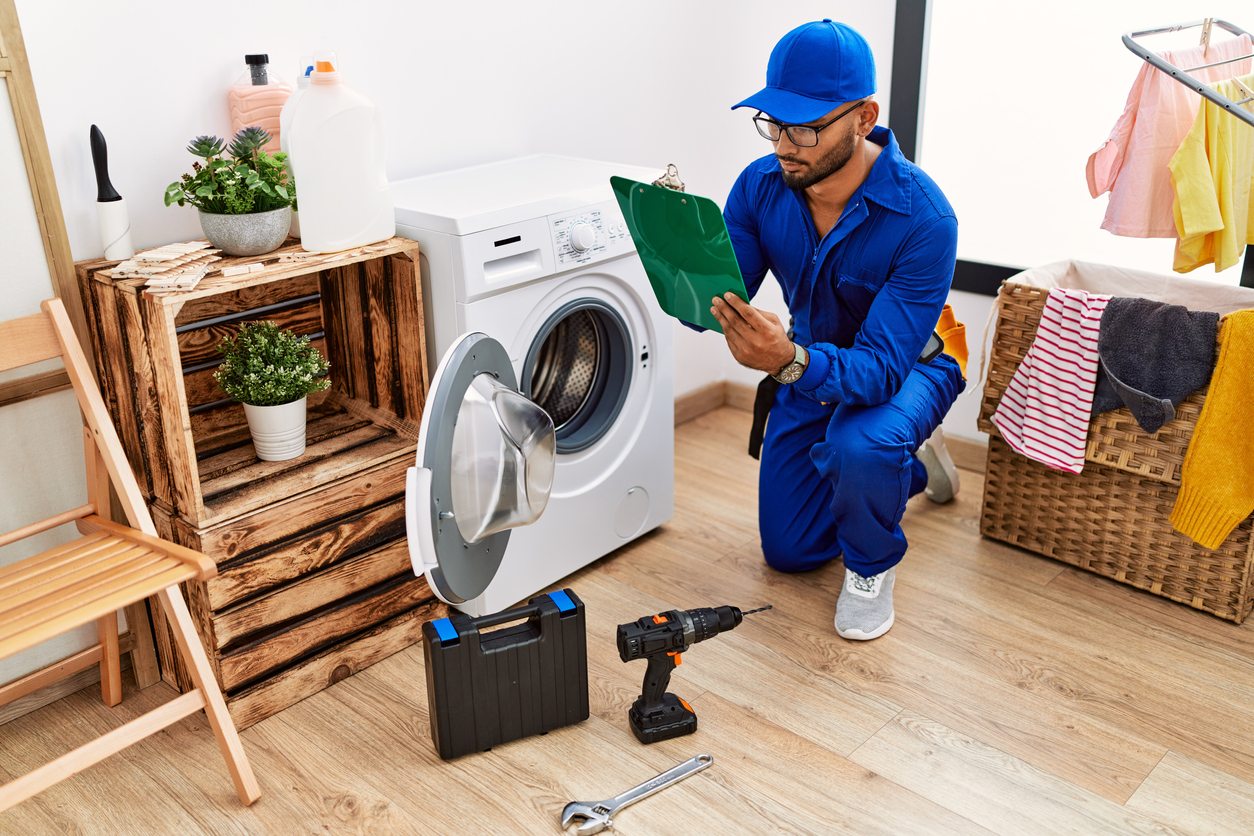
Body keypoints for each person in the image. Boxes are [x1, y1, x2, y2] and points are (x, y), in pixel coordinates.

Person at [709, 19, 966, 641]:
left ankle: (872, 565)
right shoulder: (760, 186)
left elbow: (880, 370)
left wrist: (789, 360)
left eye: (807, 125)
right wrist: (679, 261)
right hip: (814, 358)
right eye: (774, 122)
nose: (784, 143)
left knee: (860, 443)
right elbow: (723, 294)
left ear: (863, 116)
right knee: (789, 553)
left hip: (912, 363)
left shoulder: (925, 218)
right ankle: (901, 468)